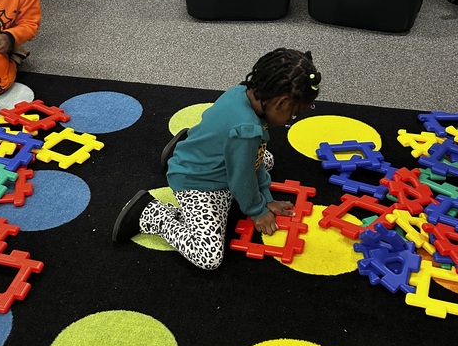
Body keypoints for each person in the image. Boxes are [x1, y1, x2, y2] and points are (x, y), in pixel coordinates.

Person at [112, 48, 322, 270]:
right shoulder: (247, 131)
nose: (291, 118)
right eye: (294, 112)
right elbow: (241, 180)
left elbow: (257, 160)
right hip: (198, 182)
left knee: (266, 160)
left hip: (210, 156)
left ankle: (194, 142)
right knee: (209, 256)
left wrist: (266, 196)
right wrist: (258, 210)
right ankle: (151, 213)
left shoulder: (242, 92)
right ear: (280, 103)